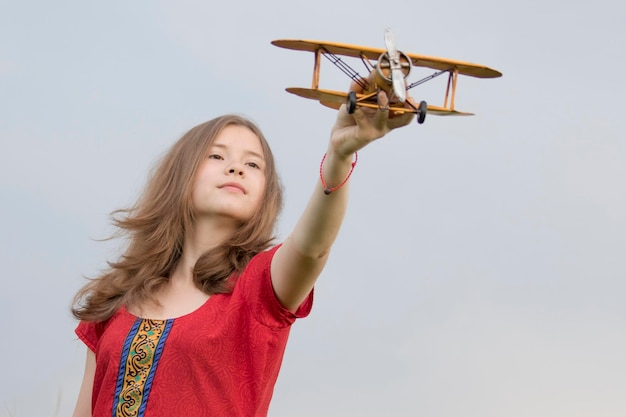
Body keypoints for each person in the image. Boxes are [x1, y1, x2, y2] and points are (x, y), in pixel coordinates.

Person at [71, 90, 414, 417]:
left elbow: (312, 249)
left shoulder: (259, 288)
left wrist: (339, 156)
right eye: (217, 156)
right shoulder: (115, 298)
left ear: (266, 194)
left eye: (253, 165)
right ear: (180, 174)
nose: (235, 168)